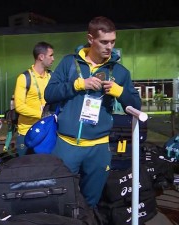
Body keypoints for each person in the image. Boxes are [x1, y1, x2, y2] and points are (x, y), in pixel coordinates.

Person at [44, 16, 141, 208]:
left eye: (113, 42)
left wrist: (119, 91)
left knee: (91, 202)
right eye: (104, 42)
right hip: (66, 144)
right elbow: (49, 94)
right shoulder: (69, 63)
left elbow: (136, 105)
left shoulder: (120, 72)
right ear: (90, 39)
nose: (109, 47)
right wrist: (78, 84)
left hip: (99, 148)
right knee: (60, 199)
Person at [14, 41, 54, 156]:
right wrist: (41, 114)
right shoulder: (24, 78)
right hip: (27, 132)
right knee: (26, 170)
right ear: (41, 57)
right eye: (50, 55)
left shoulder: (51, 76)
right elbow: (19, 107)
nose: (53, 59)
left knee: (45, 169)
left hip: (47, 131)